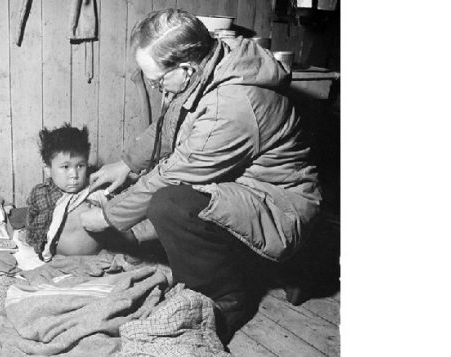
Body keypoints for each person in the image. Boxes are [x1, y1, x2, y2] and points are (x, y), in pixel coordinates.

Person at [80, 8, 321, 342]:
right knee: (162, 195)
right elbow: (169, 126)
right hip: (247, 187)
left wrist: (107, 216)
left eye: (157, 80)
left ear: (185, 68)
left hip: (281, 206)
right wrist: (126, 164)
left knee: (170, 204)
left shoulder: (231, 106)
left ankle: (225, 299)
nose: (154, 87)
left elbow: (170, 177)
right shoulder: (209, 63)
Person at [24, 124, 106, 261]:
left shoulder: (95, 188)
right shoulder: (42, 194)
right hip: (59, 259)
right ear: (48, 169)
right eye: (65, 167)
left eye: (80, 166)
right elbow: (33, 226)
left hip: (96, 257)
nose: (74, 174)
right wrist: (38, 247)